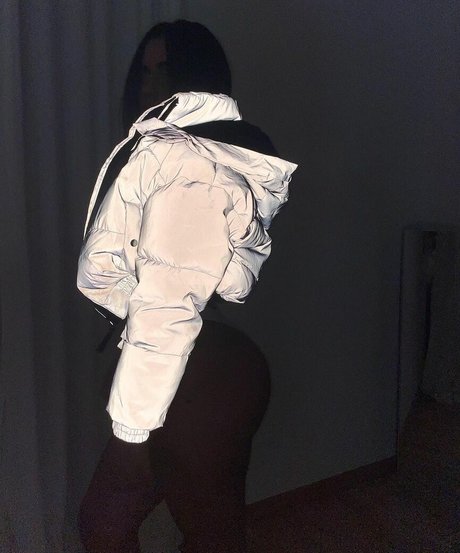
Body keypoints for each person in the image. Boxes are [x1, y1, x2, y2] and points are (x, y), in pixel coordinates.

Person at [77, 20, 297, 553]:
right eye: (145, 71)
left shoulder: (188, 162)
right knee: (205, 532)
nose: (151, 84)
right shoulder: (175, 150)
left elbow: (167, 305)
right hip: (202, 363)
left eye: (167, 71)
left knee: (127, 526)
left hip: (199, 369)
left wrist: (130, 436)